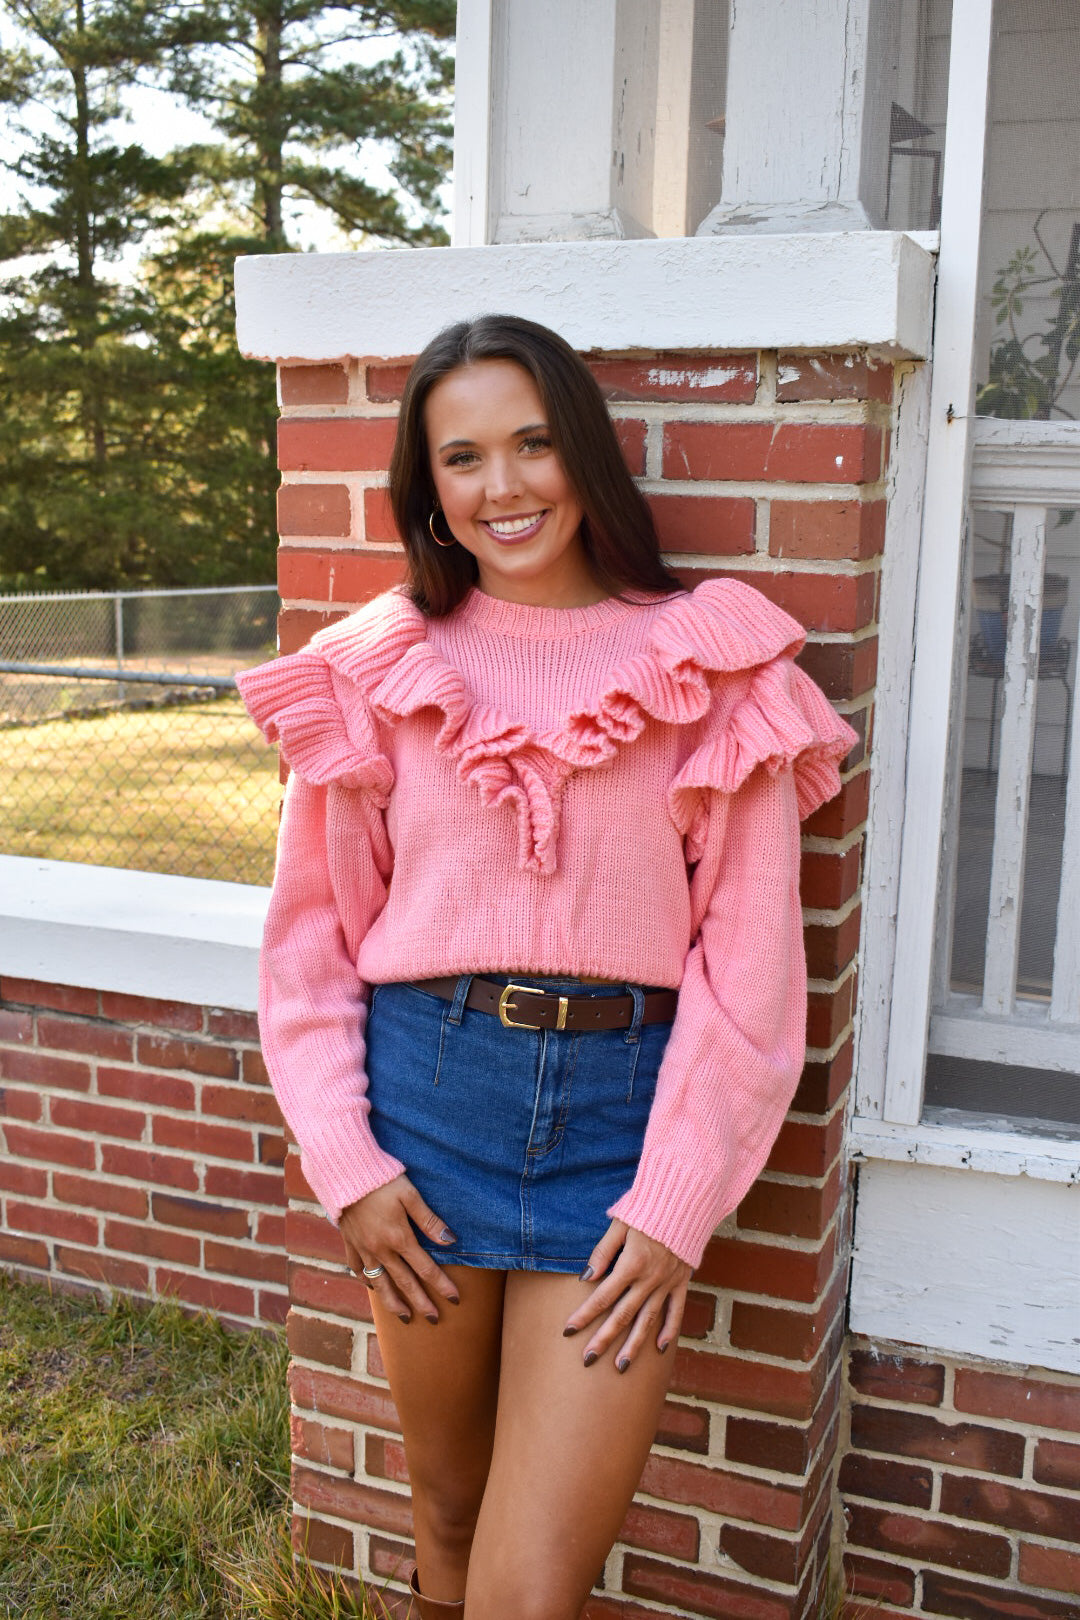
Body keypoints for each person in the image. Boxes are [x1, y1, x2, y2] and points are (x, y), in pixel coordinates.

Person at [237, 314, 856, 1620]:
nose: (502, 486)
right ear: (430, 488)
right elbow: (307, 955)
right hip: (426, 1108)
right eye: (462, 458)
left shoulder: (711, 661)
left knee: (527, 1590)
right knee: (447, 1515)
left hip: (622, 1138)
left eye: (530, 443)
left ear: (582, 452)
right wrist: (346, 1165)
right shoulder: (376, 669)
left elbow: (749, 975)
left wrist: (677, 1199)